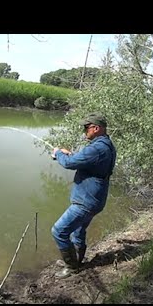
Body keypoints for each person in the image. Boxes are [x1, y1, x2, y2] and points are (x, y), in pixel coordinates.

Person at [51, 112, 116, 279]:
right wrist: (70, 154)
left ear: (96, 128)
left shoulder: (98, 148)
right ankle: (77, 259)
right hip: (94, 199)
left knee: (59, 231)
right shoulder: (105, 144)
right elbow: (84, 161)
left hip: (86, 202)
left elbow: (69, 164)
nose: (84, 131)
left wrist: (58, 153)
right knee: (78, 231)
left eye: (86, 128)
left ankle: (72, 267)